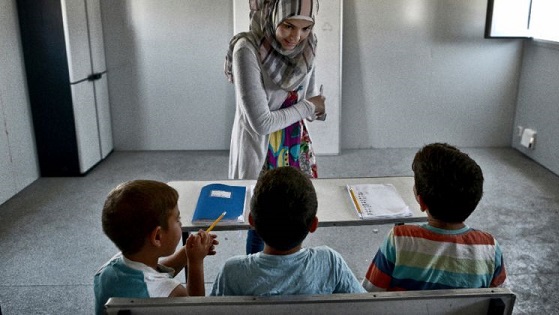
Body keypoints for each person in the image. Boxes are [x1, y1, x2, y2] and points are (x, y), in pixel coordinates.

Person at [224, 0, 326, 254]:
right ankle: (256, 286)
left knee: (295, 222)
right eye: (288, 26)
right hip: (263, 151)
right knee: (261, 224)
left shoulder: (308, 45)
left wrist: (316, 108)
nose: (296, 37)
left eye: (305, 28)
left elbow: (309, 97)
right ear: (271, 16)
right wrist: (310, 108)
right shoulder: (246, 49)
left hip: (293, 145)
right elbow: (261, 123)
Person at [362, 143, 507, 291]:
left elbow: (370, 295)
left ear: (422, 202)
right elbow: (499, 298)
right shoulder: (489, 247)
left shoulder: (399, 239)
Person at [210, 167, 365, 296]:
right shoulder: (329, 262)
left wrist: (194, 263)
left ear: (252, 222)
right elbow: (366, 305)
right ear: (313, 225)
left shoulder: (232, 273)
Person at [94, 180, 218, 314]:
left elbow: (150, 274)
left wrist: (187, 253)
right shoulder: (172, 291)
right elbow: (197, 309)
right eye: (177, 219)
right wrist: (195, 262)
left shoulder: (106, 271)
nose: (181, 224)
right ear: (157, 236)